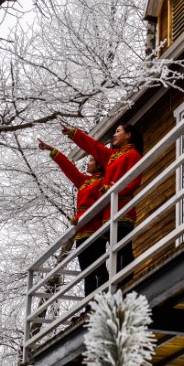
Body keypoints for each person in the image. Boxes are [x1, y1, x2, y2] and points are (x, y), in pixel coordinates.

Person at [60, 123, 143, 277]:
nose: (114, 135)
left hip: (123, 209)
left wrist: (114, 189)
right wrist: (75, 133)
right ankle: (119, 280)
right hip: (107, 215)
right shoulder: (111, 157)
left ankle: (126, 279)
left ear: (128, 135)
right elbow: (93, 146)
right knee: (115, 250)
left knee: (123, 248)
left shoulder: (133, 155)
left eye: (118, 131)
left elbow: (134, 181)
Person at [38, 139, 107, 294]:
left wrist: (80, 217)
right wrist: (51, 149)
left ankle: (106, 297)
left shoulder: (103, 181)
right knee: (86, 271)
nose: (87, 163)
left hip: (96, 230)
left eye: (91, 160)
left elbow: (100, 204)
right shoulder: (84, 181)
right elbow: (69, 168)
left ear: (99, 165)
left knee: (99, 267)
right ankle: (90, 303)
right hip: (81, 232)